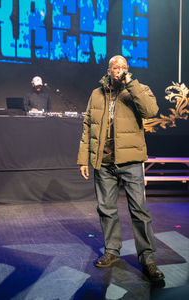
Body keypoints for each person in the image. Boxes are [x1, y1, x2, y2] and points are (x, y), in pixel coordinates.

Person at [77, 55, 164, 282]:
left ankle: (147, 258)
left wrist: (131, 84)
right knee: (106, 209)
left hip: (131, 161)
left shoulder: (138, 89)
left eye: (123, 67)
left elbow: (151, 111)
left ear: (128, 70)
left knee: (139, 211)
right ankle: (112, 251)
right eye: (115, 67)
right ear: (108, 70)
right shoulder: (96, 94)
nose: (119, 70)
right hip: (104, 163)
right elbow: (88, 125)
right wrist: (84, 159)